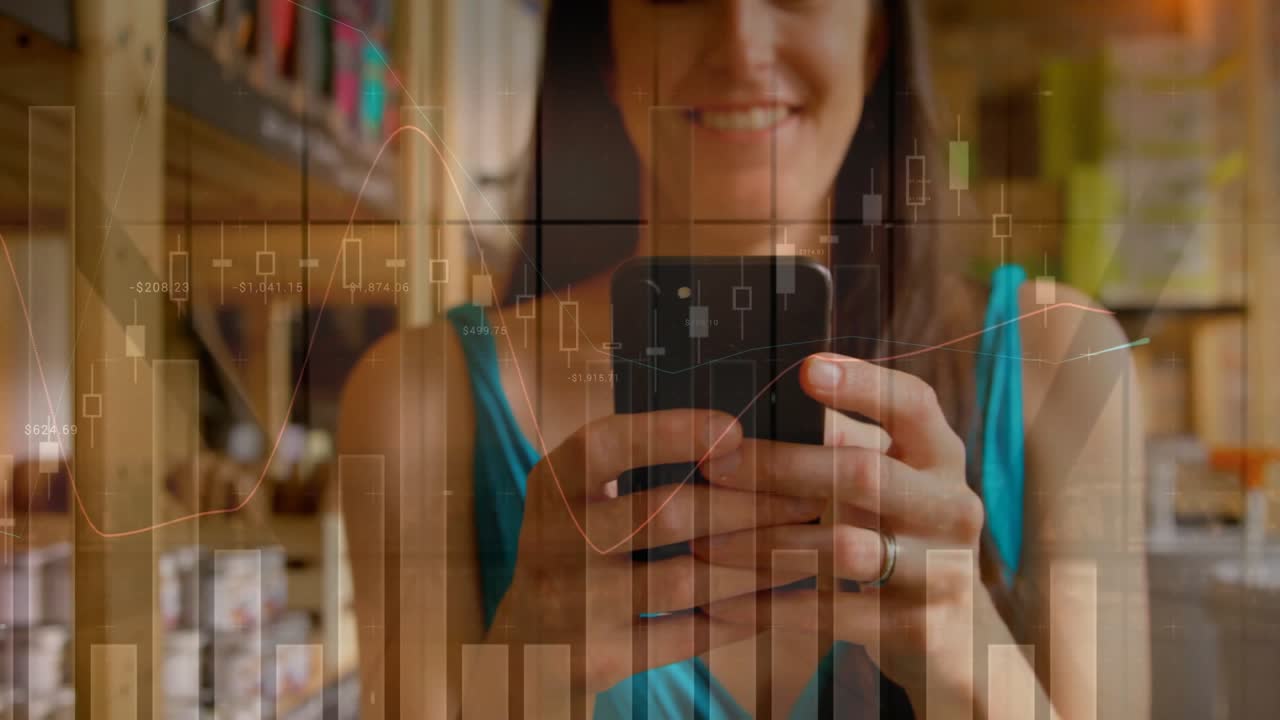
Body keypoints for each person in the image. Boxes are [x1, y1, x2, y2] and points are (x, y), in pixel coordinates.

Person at [339, 1, 1150, 717]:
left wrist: (968, 661)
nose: (740, 40)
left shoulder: (1063, 360)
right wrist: (524, 687)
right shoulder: (419, 402)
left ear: (875, 37)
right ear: (606, 47)